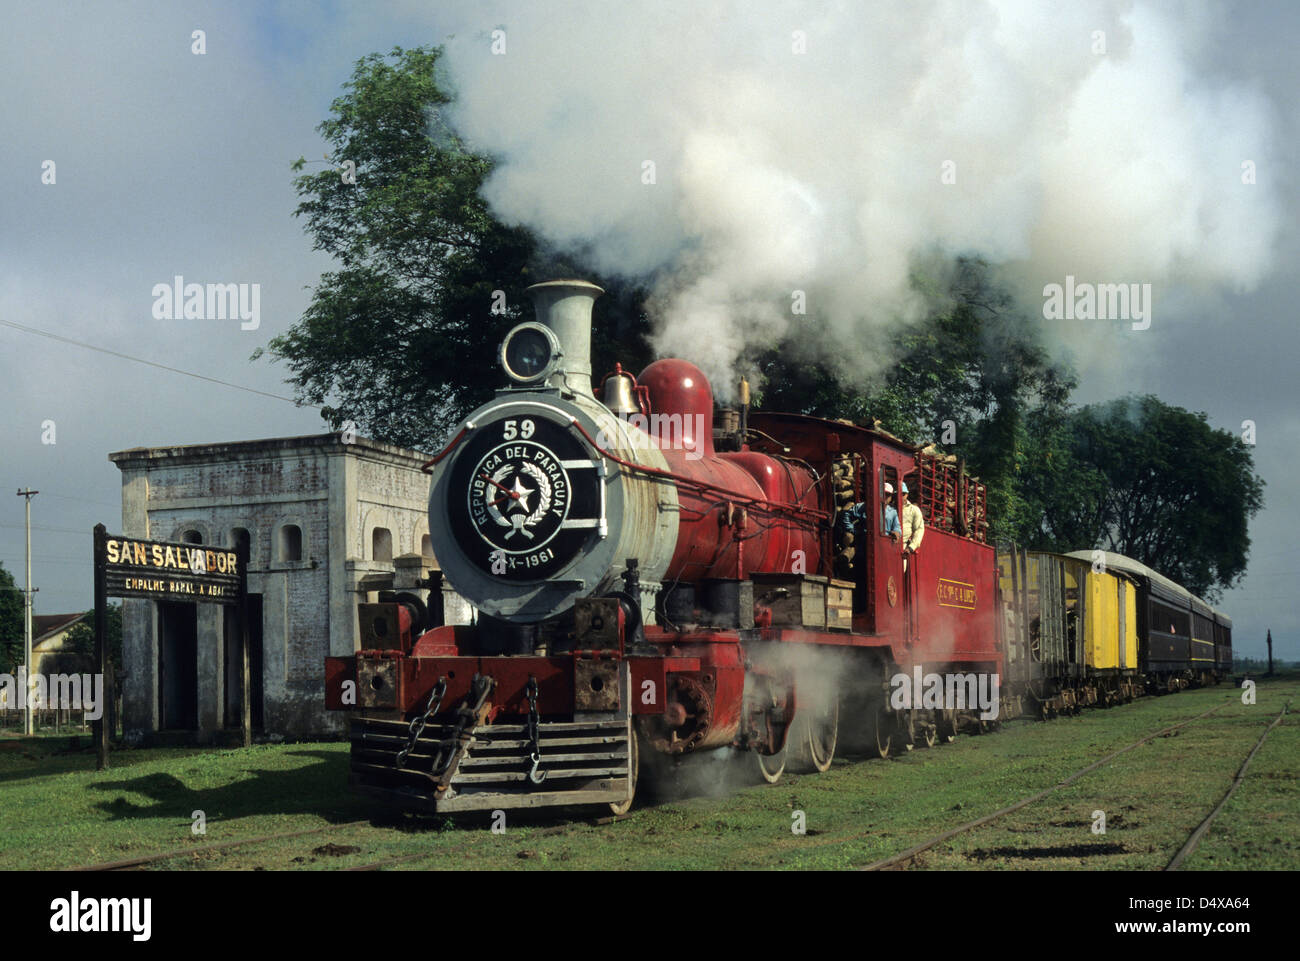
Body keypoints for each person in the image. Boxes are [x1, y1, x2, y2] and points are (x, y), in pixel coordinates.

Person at [899, 481, 924, 569]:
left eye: (903, 494)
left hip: (903, 546)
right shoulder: (890, 509)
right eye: (898, 494)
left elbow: (919, 530)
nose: (900, 496)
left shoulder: (914, 510)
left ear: (907, 494)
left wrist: (911, 547)